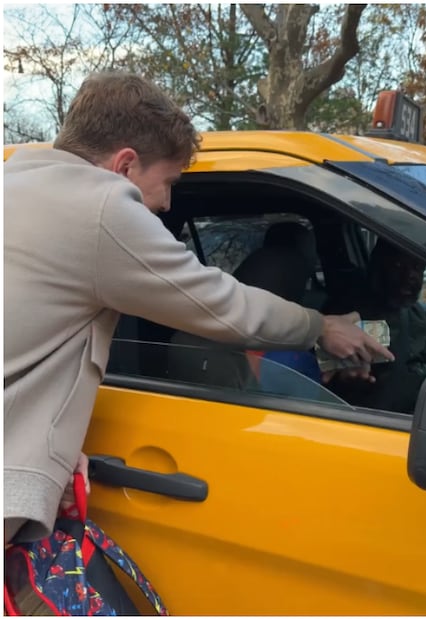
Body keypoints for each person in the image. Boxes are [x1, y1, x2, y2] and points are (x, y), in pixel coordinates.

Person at [3, 72, 393, 545]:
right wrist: (318, 325)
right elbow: (222, 306)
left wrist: (54, 447)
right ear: (125, 165)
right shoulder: (100, 205)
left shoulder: (17, 181)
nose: (167, 204)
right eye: (168, 182)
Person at [325, 239, 426, 414]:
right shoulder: (345, 317)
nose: (410, 275)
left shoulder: (412, 312)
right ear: (379, 267)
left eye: (417, 268)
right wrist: (350, 383)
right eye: (398, 266)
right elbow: (331, 383)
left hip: (425, 409)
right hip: (382, 421)